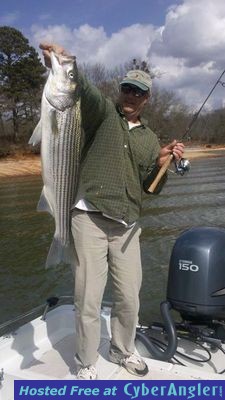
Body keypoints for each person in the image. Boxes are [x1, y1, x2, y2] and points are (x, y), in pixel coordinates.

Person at [40, 43, 184, 380]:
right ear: (120, 92)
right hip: (88, 216)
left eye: (139, 92)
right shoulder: (102, 112)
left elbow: (150, 187)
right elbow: (83, 92)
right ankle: (87, 361)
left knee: (129, 297)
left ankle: (123, 351)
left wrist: (163, 163)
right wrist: (62, 66)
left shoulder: (150, 138)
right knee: (88, 298)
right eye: (127, 89)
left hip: (127, 225)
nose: (132, 95)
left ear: (147, 99)